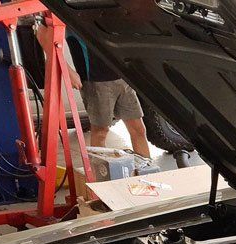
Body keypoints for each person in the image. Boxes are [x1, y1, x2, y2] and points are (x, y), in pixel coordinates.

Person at [36, 20, 151, 158]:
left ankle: (147, 172)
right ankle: (100, 177)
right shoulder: (70, 6)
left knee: (138, 130)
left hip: (123, 77)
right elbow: (42, 34)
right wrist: (68, 71)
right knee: (101, 132)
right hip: (96, 81)